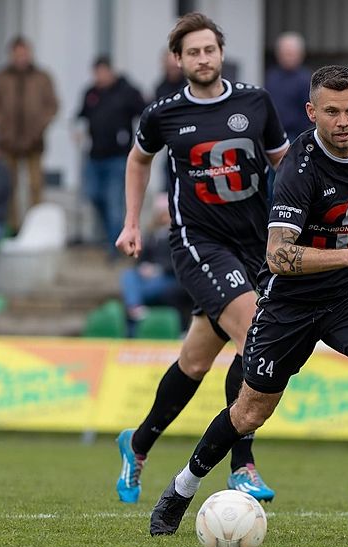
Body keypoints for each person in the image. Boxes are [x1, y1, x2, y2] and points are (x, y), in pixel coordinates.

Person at [146, 64, 348, 535]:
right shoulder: (300, 165)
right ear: (312, 111)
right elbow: (277, 256)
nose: (343, 121)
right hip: (289, 304)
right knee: (250, 412)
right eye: (331, 112)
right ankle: (182, 488)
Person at [113, 13, 290, 505]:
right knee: (254, 331)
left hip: (256, 246)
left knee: (195, 360)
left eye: (209, 49)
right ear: (179, 60)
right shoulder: (163, 114)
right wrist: (131, 223)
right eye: (193, 52)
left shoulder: (256, 102)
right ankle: (243, 464)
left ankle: (138, 442)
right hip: (198, 242)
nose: (203, 58)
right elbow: (138, 160)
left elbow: (285, 162)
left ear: (220, 52)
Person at [0, 36, 59, 232]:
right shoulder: (0, 79)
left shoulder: (42, 78)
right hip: (8, 143)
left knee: (35, 186)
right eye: (17, 54)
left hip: (34, 142)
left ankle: (37, 227)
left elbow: (52, 105)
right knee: (10, 187)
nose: (21, 58)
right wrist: (1, 126)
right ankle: (13, 228)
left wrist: (40, 125)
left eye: (24, 54)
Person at [77, 55, 146, 255]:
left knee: (115, 203)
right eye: (96, 73)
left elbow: (145, 111)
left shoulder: (126, 92)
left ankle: (116, 249)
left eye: (103, 72)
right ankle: (111, 236)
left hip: (118, 158)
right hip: (94, 157)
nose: (100, 76)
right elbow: (81, 116)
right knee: (94, 196)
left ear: (110, 71)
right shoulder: (91, 93)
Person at [119, 194, 192, 326]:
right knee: (128, 275)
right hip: (150, 277)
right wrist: (144, 268)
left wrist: (158, 270)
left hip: (170, 278)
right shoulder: (152, 236)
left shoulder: (180, 236)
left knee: (142, 289)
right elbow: (140, 259)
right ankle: (134, 307)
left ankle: (134, 304)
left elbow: (180, 262)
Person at [265, 32, 313, 144]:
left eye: (291, 54)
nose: (287, 57)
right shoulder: (271, 77)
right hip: (272, 133)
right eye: (284, 53)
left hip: (296, 135)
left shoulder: (307, 80)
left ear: (300, 54)